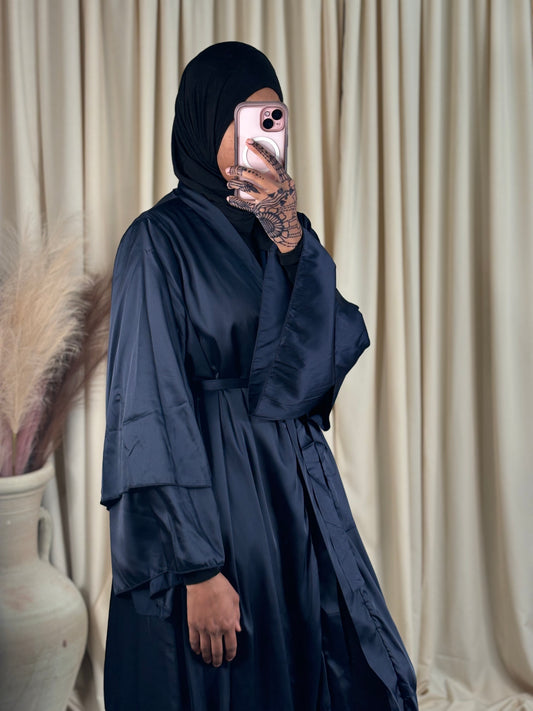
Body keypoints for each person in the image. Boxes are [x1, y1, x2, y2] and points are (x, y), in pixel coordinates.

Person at [101, 42, 418, 711]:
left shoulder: (281, 232)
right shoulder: (156, 242)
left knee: (308, 666)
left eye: (274, 118)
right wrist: (196, 567)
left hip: (290, 494)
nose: (264, 134)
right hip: (212, 504)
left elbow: (317, 366)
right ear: (205, 121)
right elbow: (148, 409)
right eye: (245, 117)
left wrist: (290, 241)